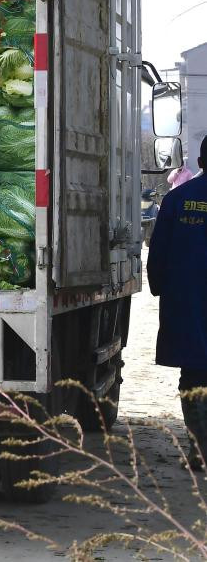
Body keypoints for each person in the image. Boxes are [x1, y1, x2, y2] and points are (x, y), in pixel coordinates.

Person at [147, 135, 207, 469]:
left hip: (187, 300)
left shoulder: (178, 199)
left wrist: (160, 288)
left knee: (195, 374)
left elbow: (157, 253)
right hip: (189, 297)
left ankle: (200, 449)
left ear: (200, 162)